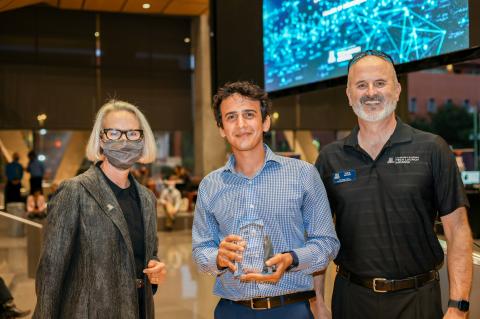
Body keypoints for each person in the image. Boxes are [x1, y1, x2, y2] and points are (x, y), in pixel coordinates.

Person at [314, 50, 472, 319]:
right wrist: (318, 303)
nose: (371, 92)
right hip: (352, 300)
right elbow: (317, 239)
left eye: (380, 83)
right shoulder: (330, 159)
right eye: (361, 85)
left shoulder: (432, 149)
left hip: (418, 300)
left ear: (397, 89)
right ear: (349, 94)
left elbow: (457, 230)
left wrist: (459, 307)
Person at [192, 81, 339, 319]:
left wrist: (291, 259)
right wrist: (218, 258)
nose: (241, 125)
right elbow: (201, 252)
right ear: (221, 128)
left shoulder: (303, 174)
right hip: (232, 310)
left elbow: (326, 243)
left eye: (249, 115)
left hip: (291, 309)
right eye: (231, 117)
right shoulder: (210, 185)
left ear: (265, 122)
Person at [33, 100, 167, 319]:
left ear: (143, 140)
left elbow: (147, 256)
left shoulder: (146, 198)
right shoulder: (74, 192)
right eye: (114, 133)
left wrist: (155, 269)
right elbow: (50, 274)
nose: (124, 141)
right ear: (101, 139)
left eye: (133, 134)